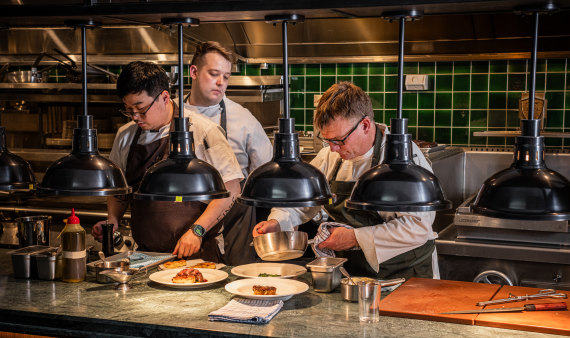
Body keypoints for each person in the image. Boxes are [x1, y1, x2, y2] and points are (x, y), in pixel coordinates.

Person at [253, 81, 439, 280]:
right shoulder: (331, 157)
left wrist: (354, 238)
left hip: (407, 276)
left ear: (365, 125)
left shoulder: (404, 160)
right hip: (356, 276)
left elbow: (417, 227)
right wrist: (277, 222)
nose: (332, 149)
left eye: (339, 140)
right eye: (327, 141)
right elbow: (301, 199)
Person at [92, 61, 243, 262]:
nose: (135, 117)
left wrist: (197, 230)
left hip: (199, 254)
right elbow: (120, 190)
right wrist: (112, 220)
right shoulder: (125, 136)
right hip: (144, 256)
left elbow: (232, 189)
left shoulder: (203, 132)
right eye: (128, 110)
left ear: (164, 97)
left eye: (141, 108)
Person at [183, 41, 273, 265]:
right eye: (214, 74)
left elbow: (267, 176)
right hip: (181, 223)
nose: (221, 82)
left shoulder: (243, 119)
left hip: (234, 227)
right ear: (193, 71)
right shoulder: (173, 113)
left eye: (226, 76)